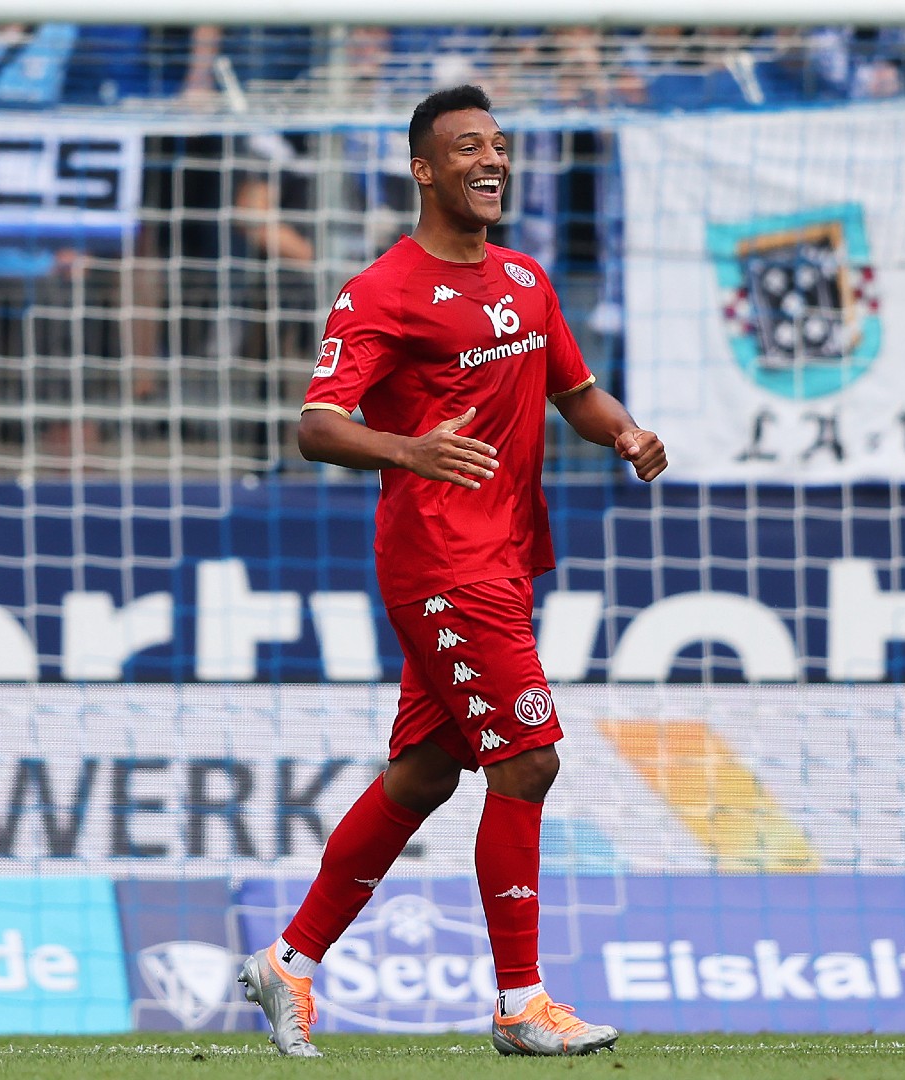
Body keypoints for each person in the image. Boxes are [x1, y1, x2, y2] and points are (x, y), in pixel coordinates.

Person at [236, 83, 666, 1058]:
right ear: (424, 169)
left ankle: (289, 964)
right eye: (468, 145)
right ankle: (520, 1004)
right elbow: (316, 425)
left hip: (504, 555)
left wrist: (627, 433)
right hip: (441, 561)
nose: (492, 159)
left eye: (501, 145)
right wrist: (406, 450)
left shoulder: (524, 279)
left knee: (427, 772)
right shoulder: (383, 289)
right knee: (529, 758)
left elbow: (577, 390)